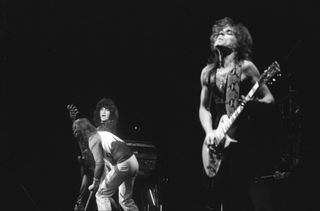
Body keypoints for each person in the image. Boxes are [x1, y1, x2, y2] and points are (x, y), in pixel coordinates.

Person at [199, 17, 275, 211]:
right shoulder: (207, 72)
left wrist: (252, 104)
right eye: (219, 32)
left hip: (241, 139)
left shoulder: (246, 68)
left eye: (228, 32)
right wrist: (209, 132)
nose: (221, 34)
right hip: (217, 139)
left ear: (239, 43)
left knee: (238, 197)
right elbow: (204, 108)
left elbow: (269, 99)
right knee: (212, 198)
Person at [72, 118, 140, 211]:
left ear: (82, 131)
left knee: (101, 195)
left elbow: (99, 163)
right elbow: (109, 164)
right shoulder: (103, 134)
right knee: (125, 200)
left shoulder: (93, 138)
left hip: (123, 164)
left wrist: (95, 182)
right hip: (133, 162)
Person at [68, 97, 120, 211]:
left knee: (103, 195)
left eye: (107, 110)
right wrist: (74, 121)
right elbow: (83, 135)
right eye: (101, 110)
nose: (104, 112)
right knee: (89, 193)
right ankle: (79, 204)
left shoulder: (110, 128)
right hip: (92, 165)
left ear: (111, 112)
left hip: (105, 166)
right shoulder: (96, 129)